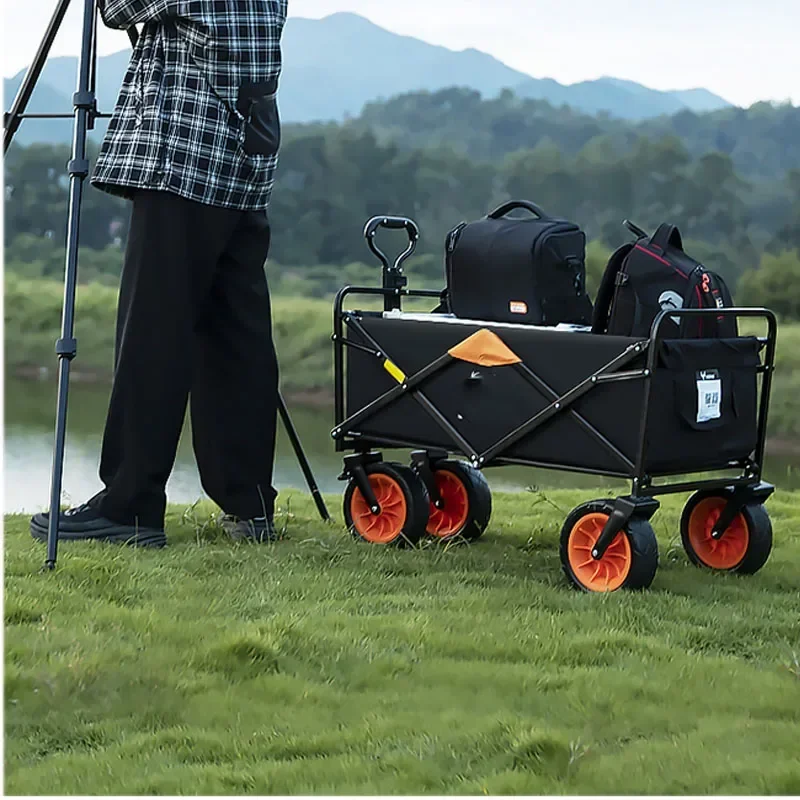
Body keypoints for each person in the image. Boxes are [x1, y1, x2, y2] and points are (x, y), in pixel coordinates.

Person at [30, 0, 289, 547]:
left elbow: (119, 7)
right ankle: (249, 503)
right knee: (235, 334)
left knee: (155, 332)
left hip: (185, 158)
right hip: (244, 159)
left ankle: (131, 505)